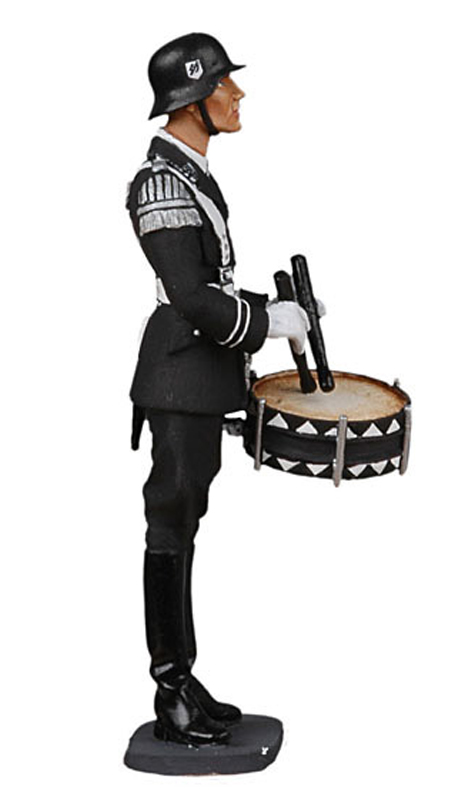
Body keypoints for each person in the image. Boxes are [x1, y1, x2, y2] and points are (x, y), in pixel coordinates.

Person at [126, 32, 309, 746]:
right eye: (224, 84)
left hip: (198, 378)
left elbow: (215, 286)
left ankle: (184, 678)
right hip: (178, 378)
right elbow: (193, 297)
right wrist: (264, 323)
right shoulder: (161, 183)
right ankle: (169, 687)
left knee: (185, 522)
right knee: (170, 525)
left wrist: (275, 307)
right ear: (193, 100)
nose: (237, 94)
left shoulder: (191, 172)